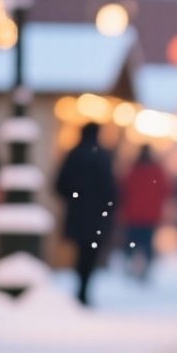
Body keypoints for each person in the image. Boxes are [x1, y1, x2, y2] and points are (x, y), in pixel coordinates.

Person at [54, 122, 118, 305]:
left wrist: (75, 197)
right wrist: (108, 209)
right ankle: (83, 289)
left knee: (80, 252)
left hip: (77, 214)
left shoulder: (74, 154)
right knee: (90, 254)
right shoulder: (102, 156)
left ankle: (81, 288)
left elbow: (59, 185)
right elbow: (110, 189)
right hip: (97, 216)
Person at [118, 144, 172, 282]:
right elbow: (165, 190)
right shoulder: (157, 171)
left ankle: (131, 265)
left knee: (132, 242)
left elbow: (123, 190)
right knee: (147, 243)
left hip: (133, 214)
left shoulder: (132, 170)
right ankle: (145, 268)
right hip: (150, 215)